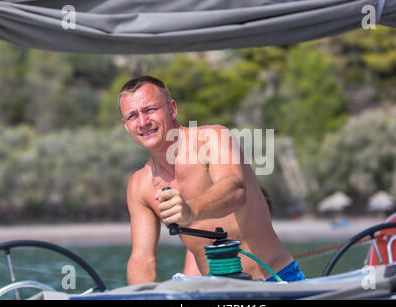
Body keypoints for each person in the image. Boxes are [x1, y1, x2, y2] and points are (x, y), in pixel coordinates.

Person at [119, 75, 305, 284]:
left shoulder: (212, 138)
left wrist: (190, 210)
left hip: (278, 282)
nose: (143, 122)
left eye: (150, 109)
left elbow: (235, 190)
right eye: (133, 116)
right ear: (126, 126)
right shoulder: (139, 185)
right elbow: (142, 258)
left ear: (172, 108)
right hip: (215, 295)